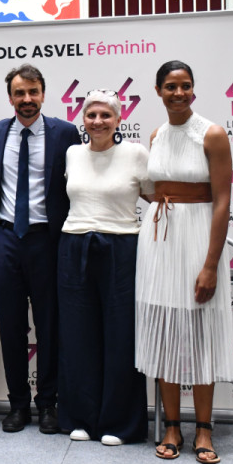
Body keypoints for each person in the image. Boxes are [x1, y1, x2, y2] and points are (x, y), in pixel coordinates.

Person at [135, 60, 233, 464]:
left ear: (193, 89)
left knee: (201, 332)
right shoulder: (156, 135)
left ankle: (204, 429)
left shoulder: (213, 134)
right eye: (171, 86)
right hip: (159, 241)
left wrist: (210, 264)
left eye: (185, 85)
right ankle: (172, 426)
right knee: (164, 331)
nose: (179, 93)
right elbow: (154, 189)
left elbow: (223, 202)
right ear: (158, 91)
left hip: (198, 240)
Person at [0, 64, 81, 434]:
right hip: (6, 239)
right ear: (10, 97)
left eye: (33, 92)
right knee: (10, 327)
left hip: (47, 240)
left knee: (49, 325)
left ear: (43, 93)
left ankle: (48, 404)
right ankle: (18, 405)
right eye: (19, 93)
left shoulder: (65, 133)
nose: (27, 99)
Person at [57, 90, 152, 446]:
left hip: (121, 248)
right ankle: (80, 417)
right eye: (91, 115)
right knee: (77, 335)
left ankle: (119, 423)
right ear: (83, 119)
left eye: (105, 115)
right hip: (74, 246)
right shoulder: (72, 153)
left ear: (118, 119)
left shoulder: (136, 154)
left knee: (120, 336)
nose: (98, 122)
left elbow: (157, 198)